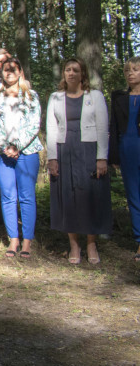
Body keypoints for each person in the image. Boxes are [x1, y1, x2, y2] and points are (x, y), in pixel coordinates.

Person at [46, 58, 111, 265]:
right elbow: (51, 129)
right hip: (64, 149)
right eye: (67, 70)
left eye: (75, 70)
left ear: (83, 74)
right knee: (68, 195)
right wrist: (52, 157)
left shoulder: (95, 96)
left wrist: (102, 157)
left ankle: (91, 243)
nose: (71, 73)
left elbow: (102, 128)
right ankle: (74, 244)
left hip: (89, 149)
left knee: (91, 195)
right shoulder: (55, 98)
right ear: (64, 74)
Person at [0, 56, 43, 259]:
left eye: (13, 69)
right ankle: (13, 239)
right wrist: (4, 147)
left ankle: (27, 240)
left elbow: (34, 124)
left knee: (27, 197)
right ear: (1, 72)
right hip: (0, 154)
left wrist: (16, 146)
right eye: (5, 69)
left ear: (20, 72)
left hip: (26, 153)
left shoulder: (31, 96)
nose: (8, 72)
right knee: (8, 196)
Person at [110, 57, 140, 261]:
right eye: (127, 70)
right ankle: (139, 241)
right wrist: (113, 156)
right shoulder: (119, 97)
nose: (130, 73)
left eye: (135, 69)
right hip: (127, 149)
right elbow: (113, 128)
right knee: (134, 197)